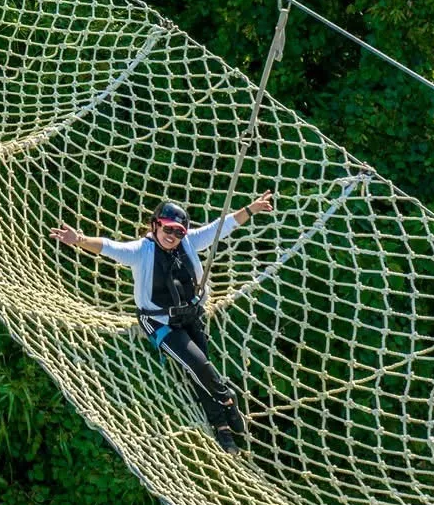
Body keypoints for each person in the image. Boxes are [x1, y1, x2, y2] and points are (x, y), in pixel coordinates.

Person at [51, 190, 275, 453]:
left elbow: (220, 227)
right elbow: (110, 247)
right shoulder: (141, 251)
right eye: (168, 230)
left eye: (179, 232)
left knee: (201, 370)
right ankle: (227, 400)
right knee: (198, 363)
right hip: (159, 321)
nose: (173, 236)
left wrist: (251, 209)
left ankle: (222, 429)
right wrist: (78, 239)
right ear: (155, 226)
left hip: (190, 314)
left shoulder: (188, 242)